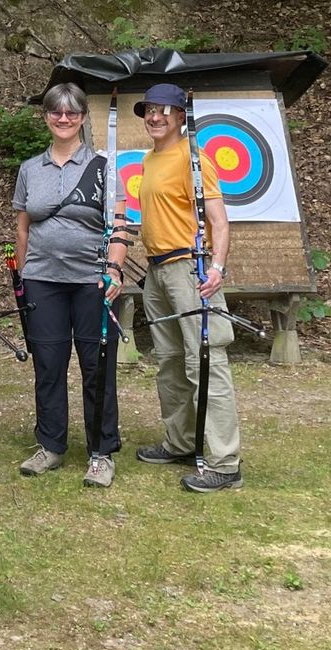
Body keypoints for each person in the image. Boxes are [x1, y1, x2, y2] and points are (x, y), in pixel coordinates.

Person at [125, 82, 243, 493]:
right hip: (158, 272)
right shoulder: (148, 159)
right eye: (148, 111)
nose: (154, 117)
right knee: (170, 361)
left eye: (163, 110)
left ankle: (225, 462)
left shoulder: (195, 159)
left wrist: (218, 267)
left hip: (189, 271)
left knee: (205, 362)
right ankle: (180, 442)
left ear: (179, 116)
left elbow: (220, 220)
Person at [12, 83, 128, 487]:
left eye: (72, 112)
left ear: (82, 117)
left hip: (91, 281)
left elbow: (119, 226)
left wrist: (114, 271)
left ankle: (101, 451)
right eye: (56, 112)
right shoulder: (29, 168)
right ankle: (51, 445)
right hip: (42, 279)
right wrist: (23, 274)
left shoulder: (102, 165)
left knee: (97, 367)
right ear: (45, 116)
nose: (63, 119)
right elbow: (23, 227)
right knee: (48, 364)